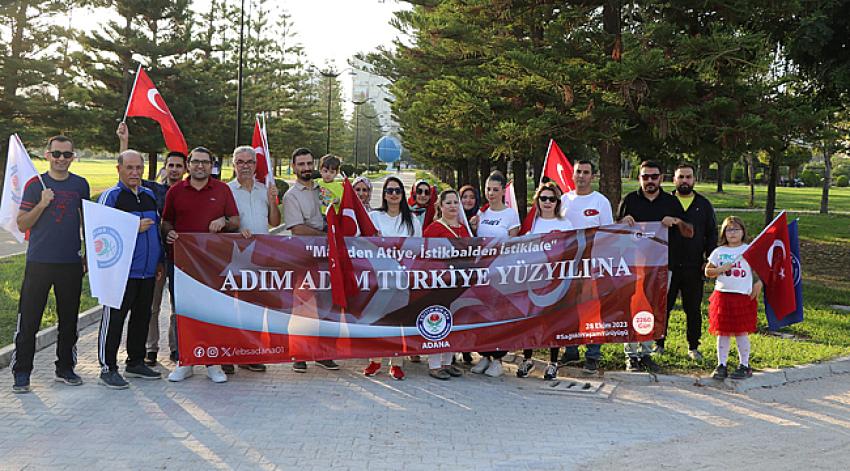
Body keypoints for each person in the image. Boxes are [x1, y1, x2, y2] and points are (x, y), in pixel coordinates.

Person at [11, 136, 90, 394]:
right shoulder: (35, 185)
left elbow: (87, 223)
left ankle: (65, 368)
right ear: (47, 155)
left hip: (70, 262)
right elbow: (22, 223)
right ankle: (22, 372)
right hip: (39, 262)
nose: (61, 159)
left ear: (73, 157)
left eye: (66, 155)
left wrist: (88, 254)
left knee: (69, 320)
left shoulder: (80, 185)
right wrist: (42, 203)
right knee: (29, 320)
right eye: (56, 154)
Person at [162, 146, 241, 383]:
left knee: (211, 312)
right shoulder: (176, 191)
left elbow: (236, 221)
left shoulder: (222, 189)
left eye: (205, 162)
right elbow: (166, 222)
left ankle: (212, 362)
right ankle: (185, 361)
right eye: (195, 161)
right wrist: (170, 233)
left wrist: (224, 221)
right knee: (182, 312)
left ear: (212, 165)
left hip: (212, 264)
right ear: (188, 164)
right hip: (181, 264)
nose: (200, 166)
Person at [117, 121, 188, 366]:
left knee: (178, 307)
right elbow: (128, 174)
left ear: (185, 169)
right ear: (165, 168)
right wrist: (124, 142)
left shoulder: (190, 193)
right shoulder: (153, 190)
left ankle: (177, 347)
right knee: (151, 307)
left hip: (182, 258)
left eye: (179, 166)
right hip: (155, 258)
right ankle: (150, 348)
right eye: (171, 165)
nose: (175, 170)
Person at [95, 150, 163, 389]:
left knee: (141, 319)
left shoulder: (149, 195)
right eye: (130, 168)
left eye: (139, 168)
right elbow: (100, 231)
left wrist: (159, 261)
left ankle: (135, 362)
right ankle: (107, 368)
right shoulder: (111, 196)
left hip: (147, 272)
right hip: (120, 273)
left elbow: (156, 231)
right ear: (119, 169)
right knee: (114, 320)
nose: (135, 173)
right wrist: (132, 227)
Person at [618, 160, 693, 373]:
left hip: (662, 265)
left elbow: (690, 231)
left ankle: (647, 351)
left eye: (654, 176)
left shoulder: (671, 202)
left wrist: (677, 222)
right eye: (645, 177)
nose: (650, 181)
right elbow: (613, 233)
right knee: (633, 307)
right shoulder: (630, 200)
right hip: (634, 265)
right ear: (639, 178)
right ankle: (631, 355)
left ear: (661, 177)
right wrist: (623, 222)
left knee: (654, 307)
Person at [222, 145, 282, 374]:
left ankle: (249, 354)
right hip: (235, 258)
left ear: (256, 165)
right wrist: (236, 231)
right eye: (240, 162)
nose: (245, 166)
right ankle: (229, 355)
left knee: (256, 308)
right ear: (233, 164)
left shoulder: (262, 190)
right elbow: (223, 223)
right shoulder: (226, 191)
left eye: (249, 162)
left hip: (261, 258)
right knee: (232, 308)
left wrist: (273, 200)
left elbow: (275, 223)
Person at [282, 147, 340, 373]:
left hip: (328, 258)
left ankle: (325, 353)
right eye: (301, 164)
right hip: (304, 258)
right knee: (303, 308)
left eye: (309, 164)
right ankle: (300, 354)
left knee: (328, 305)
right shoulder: (291, 195)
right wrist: (328, 237)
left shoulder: (324, 188)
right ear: (294, 167)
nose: (306, 168)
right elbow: (297, 229)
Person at [556, 160, 614, 374]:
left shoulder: (600, 202)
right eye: (578, 172)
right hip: (568, 263)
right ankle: (571, 350)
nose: (581, 176)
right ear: (573, 175)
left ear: (593, 176)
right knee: (568, 307)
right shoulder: (564, 200)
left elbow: (608, 233)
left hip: (593, 263)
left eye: (586, 172)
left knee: (591, 309)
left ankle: (593, 354)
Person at [362, 176, 422, 380]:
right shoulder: (374, 216)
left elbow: (418, 247)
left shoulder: (412, 219)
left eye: (397, 191)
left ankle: (396, 362)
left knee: (398, 320)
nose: (394, 194)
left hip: (402, 277)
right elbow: (365, 244)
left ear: (402, 194)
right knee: (377, 319)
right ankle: (374, 360)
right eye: (389, 191)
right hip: (379, 276)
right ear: (384, 194)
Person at [656, 163, 718, 360]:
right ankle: (659, 343)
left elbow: (711, 233)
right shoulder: (665, 202)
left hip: (694, 266)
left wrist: (709, 259)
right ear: (673, 180)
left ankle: (693, 346)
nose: (684, 180)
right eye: (680, 177)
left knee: (693, 309)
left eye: (688, 177)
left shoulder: (704, 204)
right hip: (667, 264)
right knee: (663, 307)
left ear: (694, 180)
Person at [516, 182, 573, 380]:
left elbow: (572, 250)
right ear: (537, 201)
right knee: (530, 320)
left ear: (558, 202)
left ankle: (553, 362)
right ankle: (527, 358)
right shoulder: (531, 224)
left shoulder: (565, 224)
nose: (547, 202)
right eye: (543, 198)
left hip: (556, 280)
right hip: (532, 280)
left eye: (552, 199)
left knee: (553, 322)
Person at [470, 171, 519, 378]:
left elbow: (514, 244)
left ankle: (498, 358)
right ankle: (484, 355)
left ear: (502, 192)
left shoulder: (510, 215)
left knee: (499, 315)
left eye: (495, 190)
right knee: (481, 314)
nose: (491, 193)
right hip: (482, 273)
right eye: (488, 189)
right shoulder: (482, 214)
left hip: (501, 273)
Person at [705, 216, 761, 380]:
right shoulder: (719, 251)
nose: (733, 233)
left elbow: (762, 270)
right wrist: (720, 268)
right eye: (729, 230)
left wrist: (759, 284)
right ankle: (721, 364)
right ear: (723, 233)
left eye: (736, 229)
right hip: (722, 297)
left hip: (742, 297)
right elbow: (708, 271)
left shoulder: (748, 250)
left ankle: (744, 364)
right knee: (722, 333)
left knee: (741, 333)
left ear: (743, 231)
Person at [422, 189, 468, 380]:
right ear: (440, 206)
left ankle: (448, 362)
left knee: (454, 321)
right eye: (448, 203)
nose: (452, 206)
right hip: (439, 282)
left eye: (455, 202)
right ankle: (434, 364)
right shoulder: (434, 229)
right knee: (439, 320)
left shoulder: (464, 229)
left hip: (459, 282)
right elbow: (424, 254)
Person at [457, 184, 481, 366]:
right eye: (464, 197)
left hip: (476, 269)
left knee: (471, 310)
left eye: (471, 197)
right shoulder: (454, 216)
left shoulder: (482, 217)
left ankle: (466, 349)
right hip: (456, 271)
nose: (468, 200)